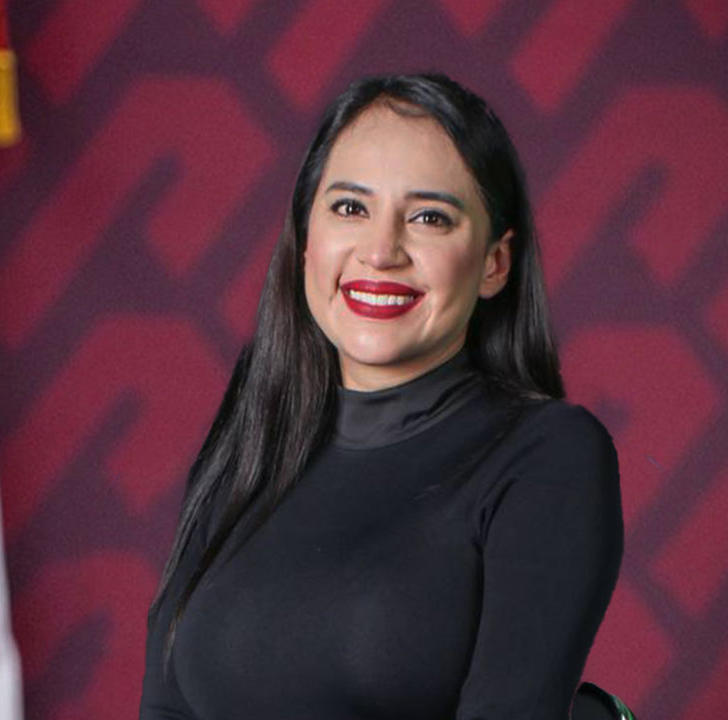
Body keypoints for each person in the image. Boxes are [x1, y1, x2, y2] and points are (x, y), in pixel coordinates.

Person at [139, 73, 623, 720]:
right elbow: (166, 707)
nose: (381, 251)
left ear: (494, 264)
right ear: (305, 240)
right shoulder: (257, 424)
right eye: (349, 208)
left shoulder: (549, 455)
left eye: (428, 218)